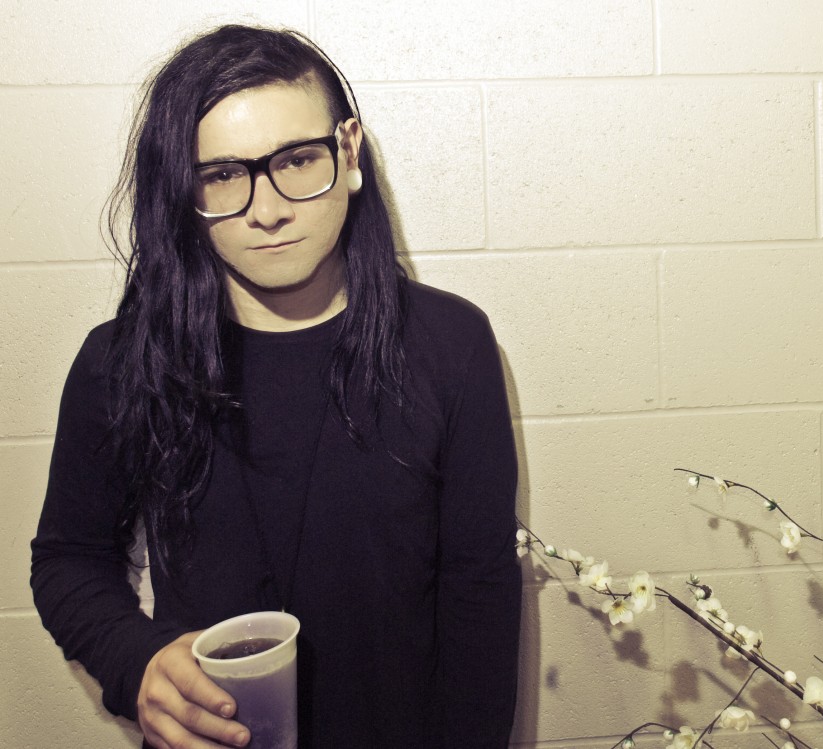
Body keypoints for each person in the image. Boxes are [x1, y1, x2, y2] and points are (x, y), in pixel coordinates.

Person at [29, 24, 521, 748]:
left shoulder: (451, 344)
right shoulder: (124, 360)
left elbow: (480, 596)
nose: (267, 210)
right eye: (223, 175)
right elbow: (68, 559)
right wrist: (138, 662)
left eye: (297, 160)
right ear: (184, 189)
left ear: (348, 151)